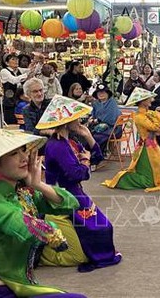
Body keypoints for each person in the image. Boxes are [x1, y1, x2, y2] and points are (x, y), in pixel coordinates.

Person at [0, 127, 86, 298]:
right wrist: (52, 233)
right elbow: (21, 224)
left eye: (24, 151)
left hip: (22, 287)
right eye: (14, 154)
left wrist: (38, 184)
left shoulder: (24, 194)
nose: (24, 158)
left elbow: (71, 204)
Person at [35, 96, 122, 272]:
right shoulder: (57, 145)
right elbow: (77, 174)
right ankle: (43, 253)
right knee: (97, 230)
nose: (80, 120)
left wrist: (88, 136)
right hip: (62, 197)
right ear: (67, 121)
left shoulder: (71, 141)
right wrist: (84, 162)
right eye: (76, 117)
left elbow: (96, 158)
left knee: (104, 226)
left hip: (76, 193)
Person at [102, 87, 160, 192]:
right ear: (143, 101)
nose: (151, 100)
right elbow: (154, 127)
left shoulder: (147, 113)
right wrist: (159, 123)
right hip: (146, 147)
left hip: (151, 145)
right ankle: (122, 179)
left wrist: (158, 118)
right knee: (153, 171)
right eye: (149, 98)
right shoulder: (140, 116)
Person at [88, 84, 121, 152]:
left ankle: (97, 154)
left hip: (113, 129)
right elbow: (93, 115)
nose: (101, 94)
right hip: (98, 127)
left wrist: (97, 120)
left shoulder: (112, 103)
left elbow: (111, 119)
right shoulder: (96, 103)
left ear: (107, 93)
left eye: (103, 92)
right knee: (85, 134)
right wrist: (91, 119)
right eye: (99, 92)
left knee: (95, 138)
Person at [0, 54, 28, 124]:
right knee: (11, 123)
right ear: (6, 63)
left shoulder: (18, 70)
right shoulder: (4, 71)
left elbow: (30, 71)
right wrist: (26, 75)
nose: (16, 61)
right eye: (13, 59)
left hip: (19, 101)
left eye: (17, 59)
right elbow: (14, 80)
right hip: (9, 102)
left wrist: (37, 64)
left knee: (21, 122)